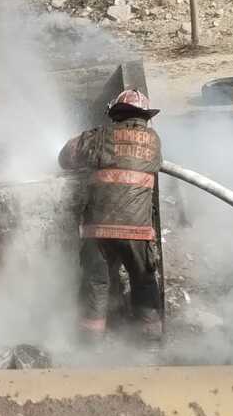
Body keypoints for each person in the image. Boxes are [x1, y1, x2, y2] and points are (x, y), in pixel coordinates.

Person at [58, 89, 163, 346]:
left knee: (95, 284)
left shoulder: (99, 137)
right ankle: (150, 346)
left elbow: (64, 158)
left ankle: (90, 346)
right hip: (137, 232)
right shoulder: (154, 141)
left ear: (115, 113)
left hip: (98, 230)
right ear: (145, 117)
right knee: (144, 281)